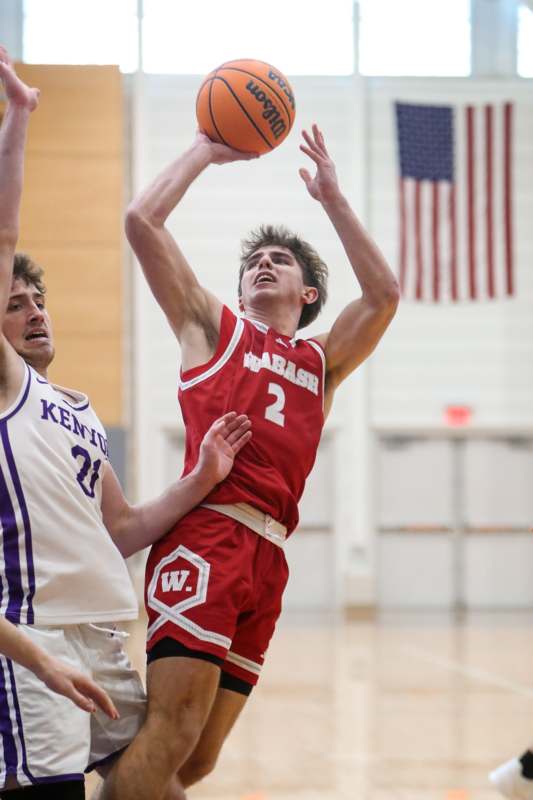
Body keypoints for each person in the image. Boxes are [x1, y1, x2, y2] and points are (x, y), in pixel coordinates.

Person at [102, 122, 400, 800]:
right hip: (207, 536)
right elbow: (141, 221)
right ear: (239, 290)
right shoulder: (214, 328)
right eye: (254, 261)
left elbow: (384, 295)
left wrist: (333, 200)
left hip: (269, 559)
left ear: (308, 294)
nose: (263, 264)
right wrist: (205, 151)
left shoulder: (322, 363)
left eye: (281, 261)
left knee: (195, 761)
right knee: (171, 733)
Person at [0, 48, 252, 799]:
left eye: (39, 301)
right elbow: (3, 232)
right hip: (33, 630)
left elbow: (123, 527)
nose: (36, 312)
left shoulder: (76, 410)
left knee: (156, 784)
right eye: (14, 304)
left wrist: (201, 478)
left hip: (103, 635)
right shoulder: (6, 388)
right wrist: (19, 119)